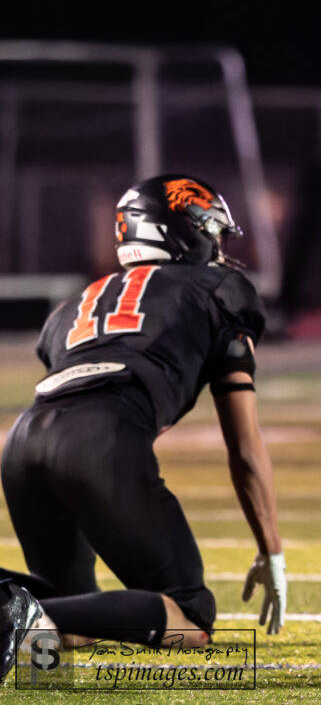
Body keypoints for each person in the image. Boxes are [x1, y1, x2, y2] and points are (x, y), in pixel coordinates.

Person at [0, 174, 286, 679]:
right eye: (211, 231)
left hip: (23, 443)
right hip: (100, 440)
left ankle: (10, 609)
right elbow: (244, 446)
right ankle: (16, 619)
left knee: (68, 613)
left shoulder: (75, 304)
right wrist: (271, 550)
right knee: (191, 618)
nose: (218, 246)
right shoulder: (220, 290)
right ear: (183, 230)